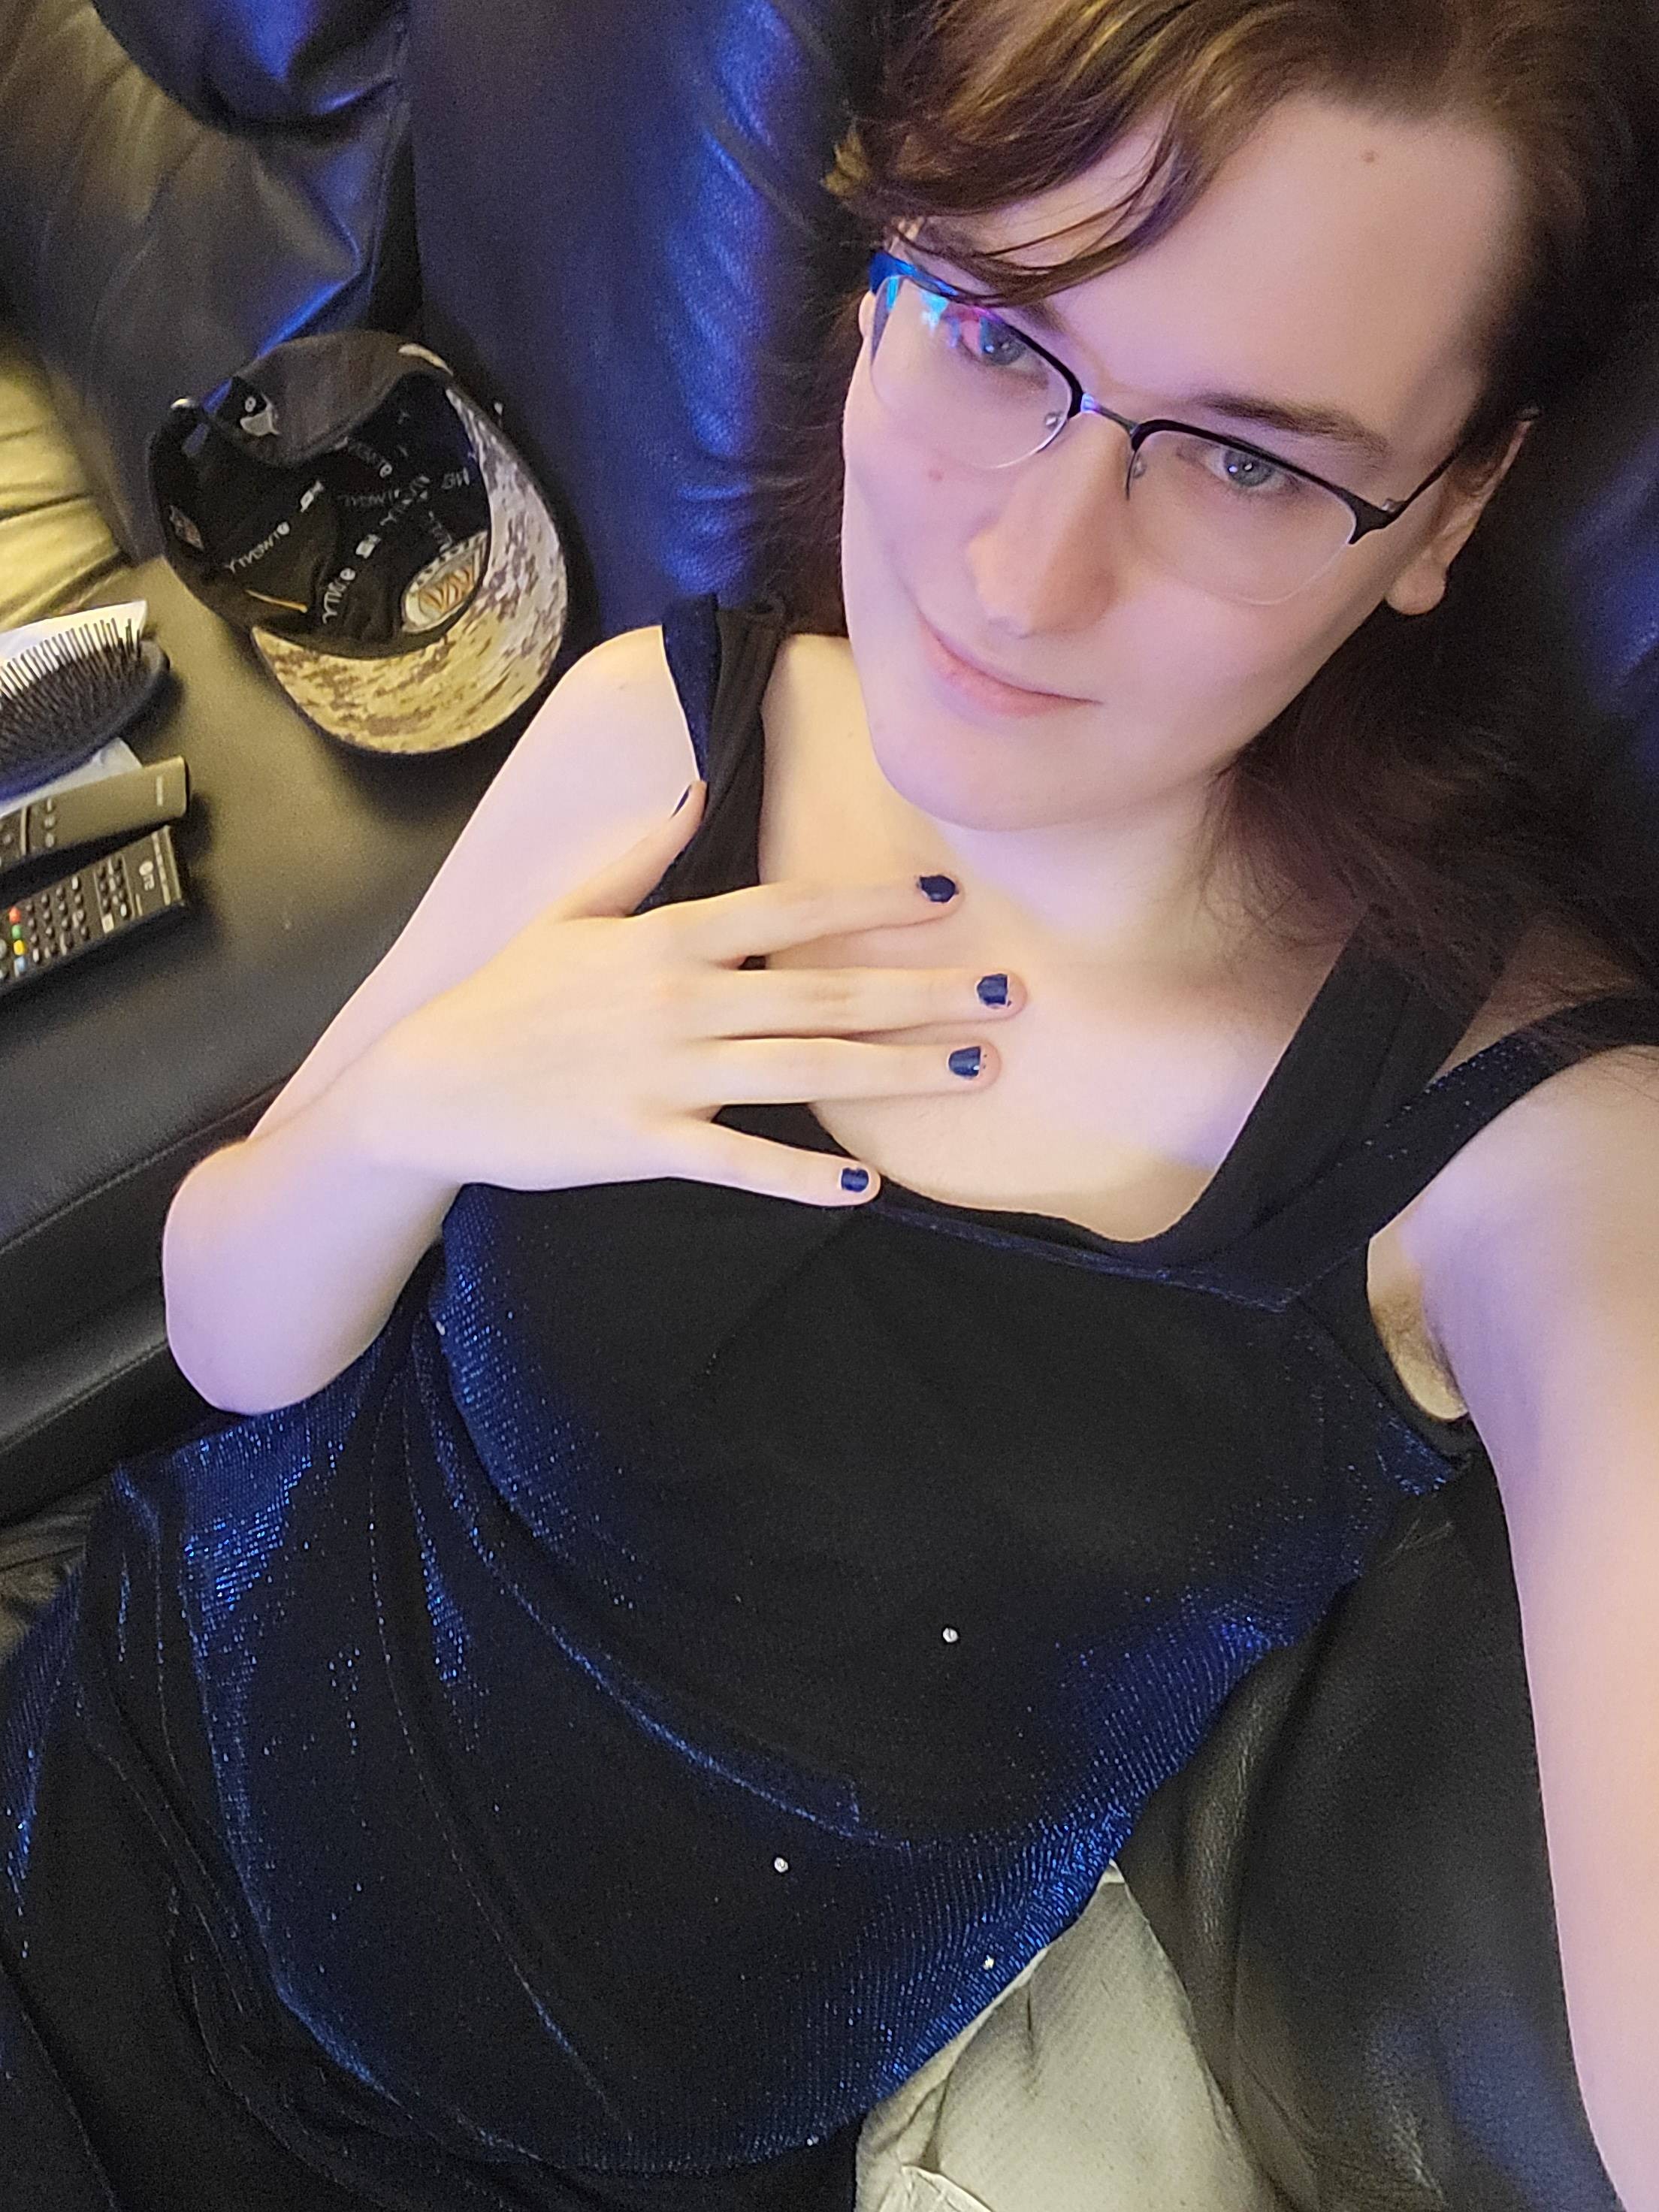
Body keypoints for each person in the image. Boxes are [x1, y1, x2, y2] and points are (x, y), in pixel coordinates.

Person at [6, 2, 1659, 2207]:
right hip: (102, 1818)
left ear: (1446, 509)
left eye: (1250, 462)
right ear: (882, 291)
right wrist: (423, 1099)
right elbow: (235, 1340)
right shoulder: (669, 736)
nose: (1020, 573)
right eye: (991, 329)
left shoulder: (1534, 1162)